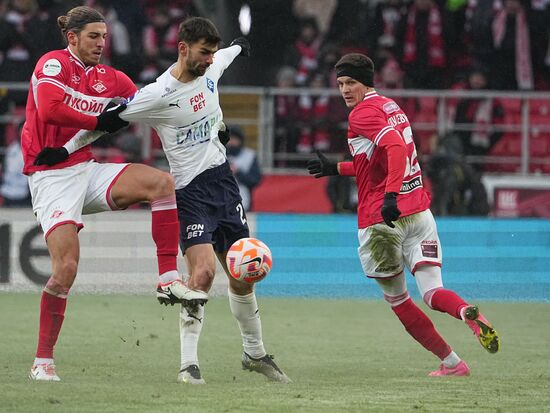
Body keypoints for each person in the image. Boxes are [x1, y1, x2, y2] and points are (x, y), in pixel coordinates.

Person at [35, 16, 290, 385]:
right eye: (204, 54)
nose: (209, 61)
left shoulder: (213, 65)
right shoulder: (157, 95)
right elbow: (108, 122)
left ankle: (254, 353)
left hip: (224, 184)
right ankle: (188, 365)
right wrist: (64, 149)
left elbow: (228, 56)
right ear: (183, 48)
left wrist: (238, 45)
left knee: (242, 274)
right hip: (190, 193)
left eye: (212, 54)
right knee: (202, 274)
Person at [22, 6, 204, 382]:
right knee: (65, 270)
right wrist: (97, 120)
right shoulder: (53, 65)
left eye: (104, 37)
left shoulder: (112, 78)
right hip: (50, 177)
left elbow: (151, 107)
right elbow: (50, 108)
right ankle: (42, 361)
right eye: (93, 37)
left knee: (161, 183)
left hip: (85, 169)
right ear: (72, 38)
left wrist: (207, 126)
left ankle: (168, 276)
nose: (101, 44)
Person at [307, 53, 500, 376]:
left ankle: (452, 363)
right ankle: (466, 310)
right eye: (340, 83)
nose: (344, 90)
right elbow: (380, 160)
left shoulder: (361, 115)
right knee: (433, 291)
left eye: (350, 82)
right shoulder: (391, 107)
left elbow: (395, 148)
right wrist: (336, 168)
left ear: (366, 81)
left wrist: (390, 196)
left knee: (398, 300)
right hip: (420, 213)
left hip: (381, 219)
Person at [225, 126, 262, 212]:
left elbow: (255, 179)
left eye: (234, 139)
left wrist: (238, 172)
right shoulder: (218, 155)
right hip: (220, 202)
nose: (231, 142)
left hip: (243, 201)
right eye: (230, 139)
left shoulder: (250, 155)